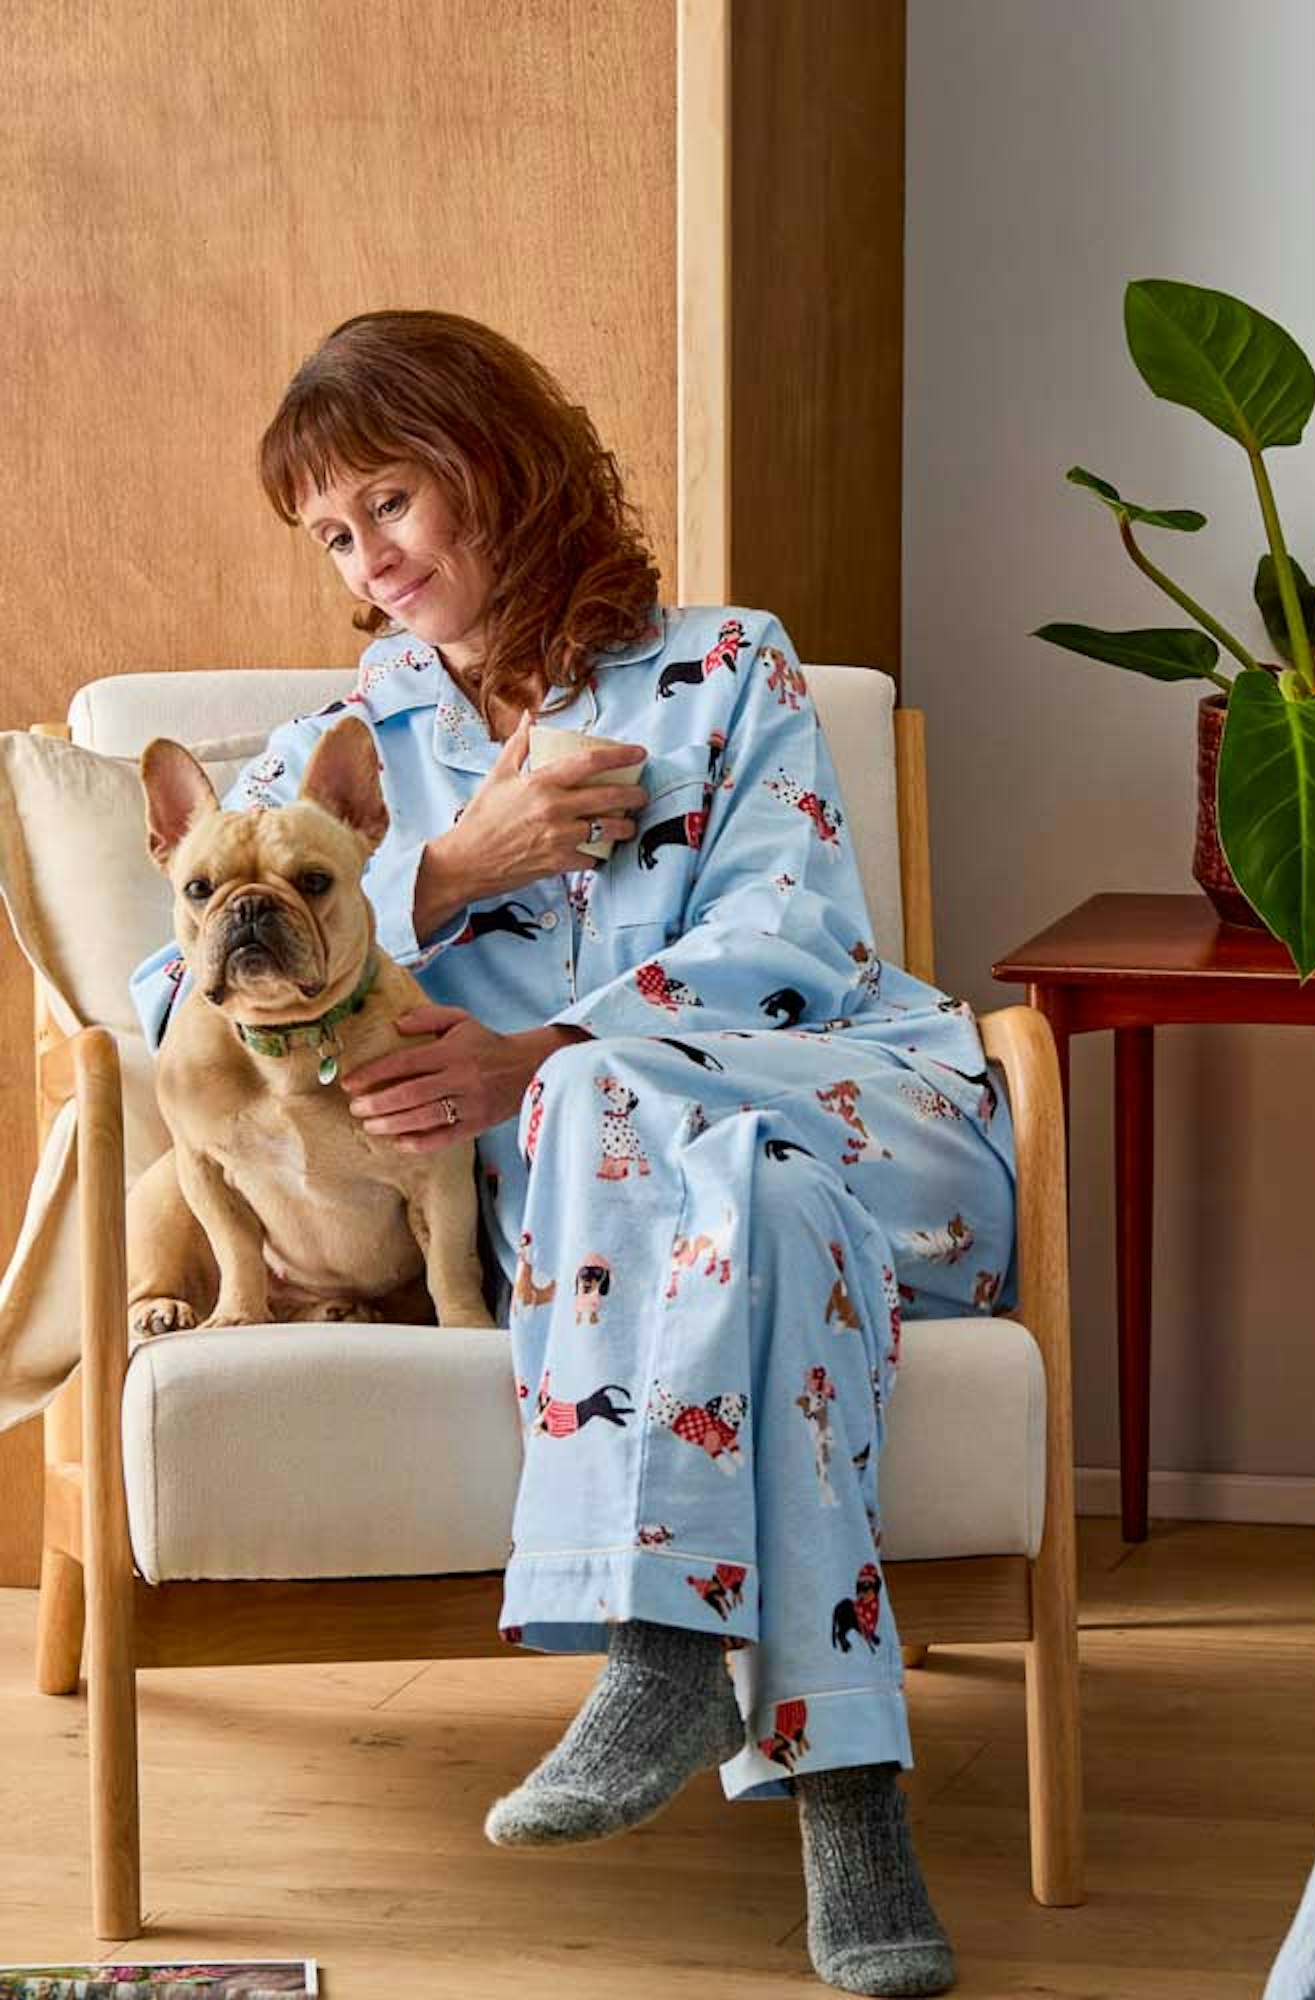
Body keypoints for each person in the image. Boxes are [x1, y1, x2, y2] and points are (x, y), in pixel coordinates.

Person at [130, 309, 1017, 1999]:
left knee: (619, 1098)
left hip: (856, 1115)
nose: (370, 562)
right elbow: (176, 985)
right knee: (744, 1209)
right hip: (642, 1227)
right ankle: (847, 1804)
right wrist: (444, 872)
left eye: (390, 502)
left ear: (497, 464)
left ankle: (665, 1644)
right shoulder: (349, 751)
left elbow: (796, 940)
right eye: (332, 536)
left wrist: (536, 1053)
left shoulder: (730, 667)